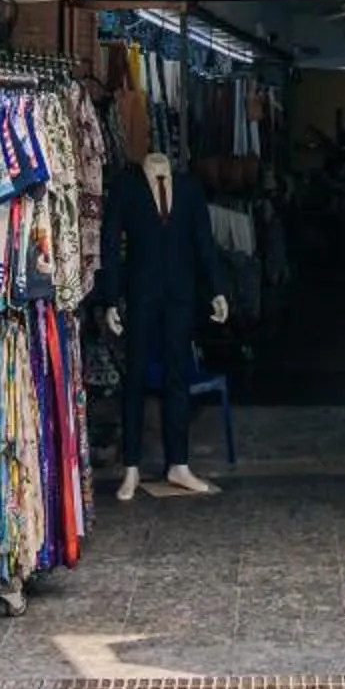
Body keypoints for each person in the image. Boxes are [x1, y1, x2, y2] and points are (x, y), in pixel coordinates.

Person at [99, 153, 228, 500]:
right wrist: (110, 298)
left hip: (180, 293)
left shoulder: (188, 188)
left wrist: (216, 289)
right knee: (135, 378)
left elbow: (204, 241)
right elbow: (110, 244)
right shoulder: (127, 187)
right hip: (140, 293)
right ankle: (131, 467)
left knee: (178, 376)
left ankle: (179, 463)